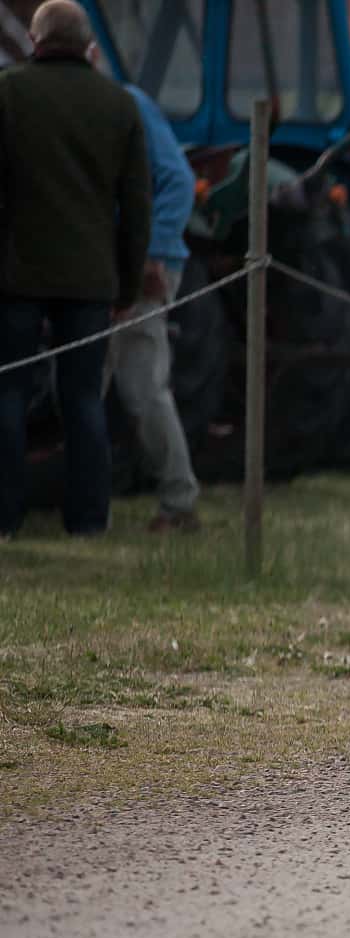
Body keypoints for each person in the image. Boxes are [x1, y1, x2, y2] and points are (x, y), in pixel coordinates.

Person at [0, 0, 150, 539]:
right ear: (88, 45)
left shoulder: (8, 93)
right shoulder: (119, 104)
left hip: (14, 277)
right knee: (85, 399)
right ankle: (88, 519)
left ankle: (5, 519)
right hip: (90, 281)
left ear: (36, 41)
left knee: (8, 396)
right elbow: (136, 207)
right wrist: (127, 285)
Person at [104, 65, 201, 533]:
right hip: (106, 262)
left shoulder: (129, 104)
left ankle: (179, 502)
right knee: (87, 384)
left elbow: (178, 181)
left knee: (142, 385)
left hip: (144, 265)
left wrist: (151, 256)